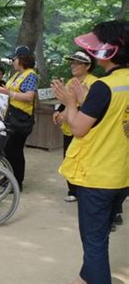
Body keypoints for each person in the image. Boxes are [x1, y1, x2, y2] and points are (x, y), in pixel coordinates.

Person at [51, 20, 128, 284]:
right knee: (101, 234)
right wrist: (84, 101)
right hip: (122, 175)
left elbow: (79, 129)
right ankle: (84, 280)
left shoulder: (104, 87)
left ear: (111, 50)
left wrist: (71, 103)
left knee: (94, 243)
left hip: (97, 177)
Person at [0, 45, 38, 191]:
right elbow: (7, 92)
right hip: (11, 116)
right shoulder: (17, 75)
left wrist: (10, 94)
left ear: (22, 59)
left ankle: (17, 182)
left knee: (15, 150)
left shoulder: (30, 75)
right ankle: (8, 178)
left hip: (21, 119)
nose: (12, 61)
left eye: (14, 59)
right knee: (8, 149)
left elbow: (29, 96)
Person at [52, 51, 97, 203]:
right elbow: (65, 102)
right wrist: (58, 113)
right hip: (69, 127)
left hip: (85, 129)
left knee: (85, 159)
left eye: (78, 63)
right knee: (69, 157)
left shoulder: (94, 83)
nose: (74, 66)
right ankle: (73, 190)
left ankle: (85, 191)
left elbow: (92, 109)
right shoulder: (71, 82)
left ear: (88, 66)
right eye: (72, 63)